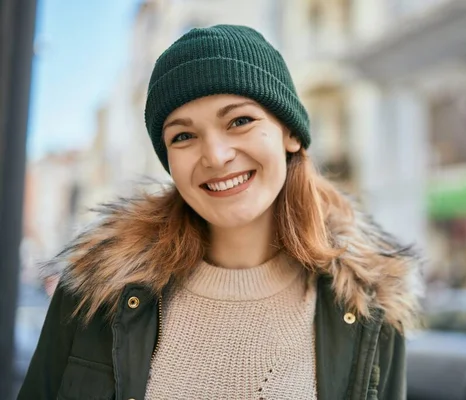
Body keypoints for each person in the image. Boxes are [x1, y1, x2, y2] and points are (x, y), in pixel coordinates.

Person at [18, 25, 422, 400]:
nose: (215, 155)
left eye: (240, 121)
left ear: (291, 133)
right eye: (184, 136)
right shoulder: (94, 295)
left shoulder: (369, 308)